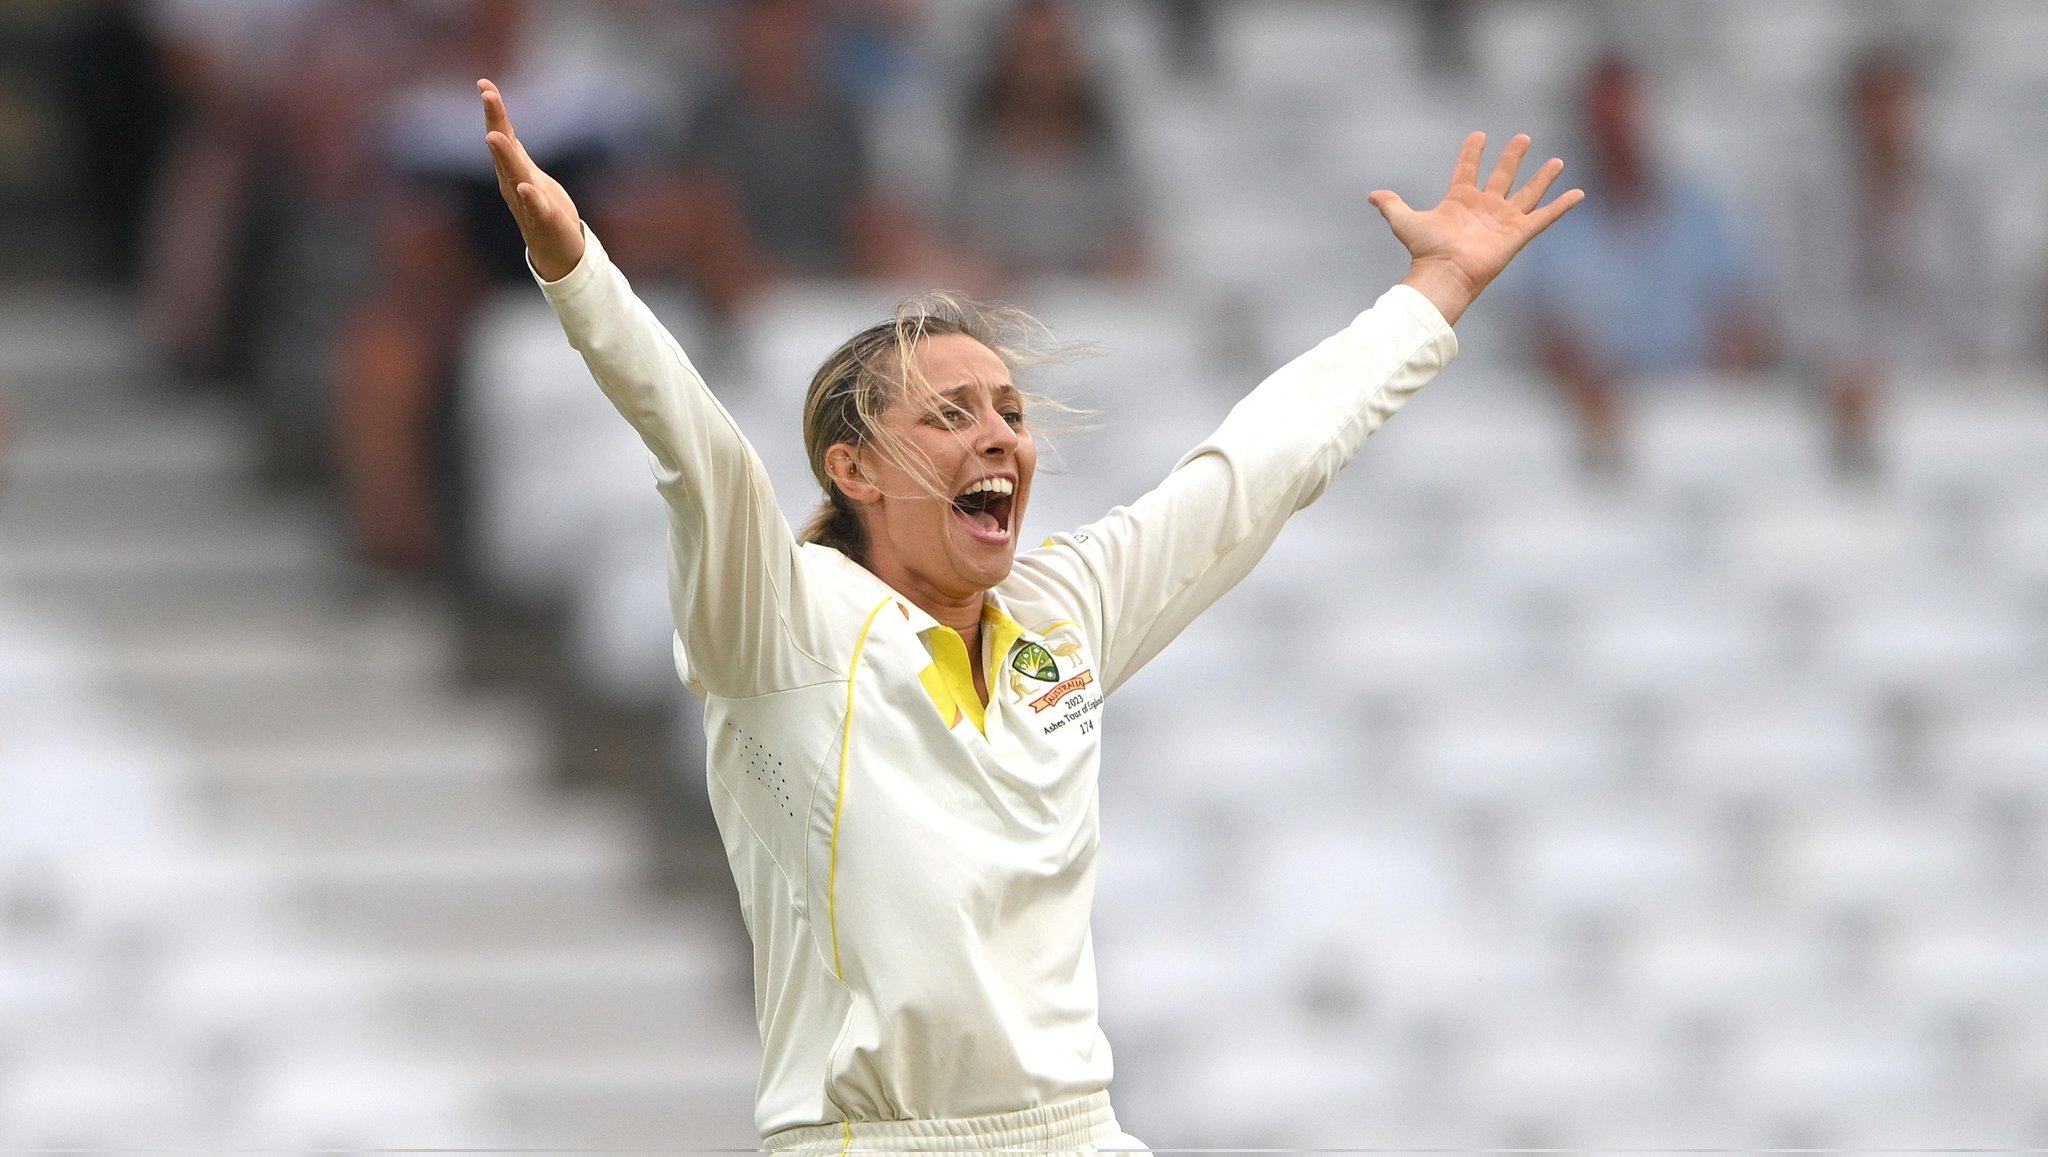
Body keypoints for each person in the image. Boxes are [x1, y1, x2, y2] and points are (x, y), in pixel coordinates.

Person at [480, 76, 1579, 1151]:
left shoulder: (1061, 611)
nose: (1000, 436)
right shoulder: (780, 622)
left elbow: (1259, 464)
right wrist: (579, 272)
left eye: (1008, 410)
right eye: (950, 414)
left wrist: (1428, 292)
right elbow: (696, 450)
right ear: (852, 466)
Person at [1516, 53, 1768, 474]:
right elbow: (1545, 330)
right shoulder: (1550, 221)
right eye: (1604, 119)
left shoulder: (1701, 212)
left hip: (1697, 407)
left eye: (1625, 116)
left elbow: (1742, 318)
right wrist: (1588, 384)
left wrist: (1716, 384)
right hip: (1594, 412)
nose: (1616, 132)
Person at [1776, 48, 1993, 474]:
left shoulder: (1960, 196)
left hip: (1945, 382)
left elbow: (1984, 302)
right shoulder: (1815, 200)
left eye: (1895, 102)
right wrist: (1843, 365)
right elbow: (1801, 307)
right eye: (1873, 103)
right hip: (1849, 387)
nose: (1885, 120)